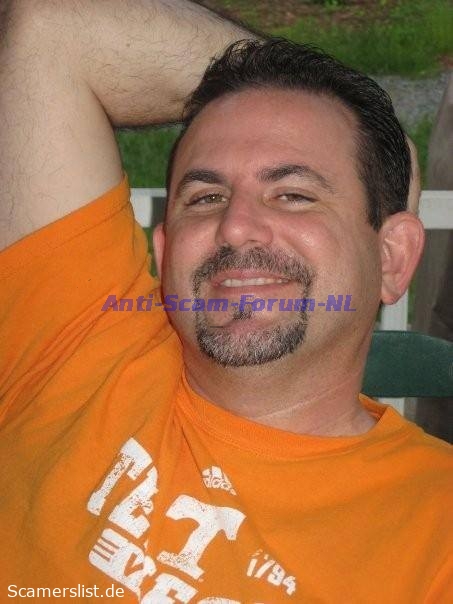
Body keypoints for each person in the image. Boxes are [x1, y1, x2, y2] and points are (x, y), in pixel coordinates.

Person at [0, 1, 451, 602]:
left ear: (391, 258)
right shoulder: (77, 342)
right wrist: (340, 100)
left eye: (293, 194)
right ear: (165, 252)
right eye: (206, 198)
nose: (236, 227)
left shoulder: (435, 528)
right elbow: (53, 26)